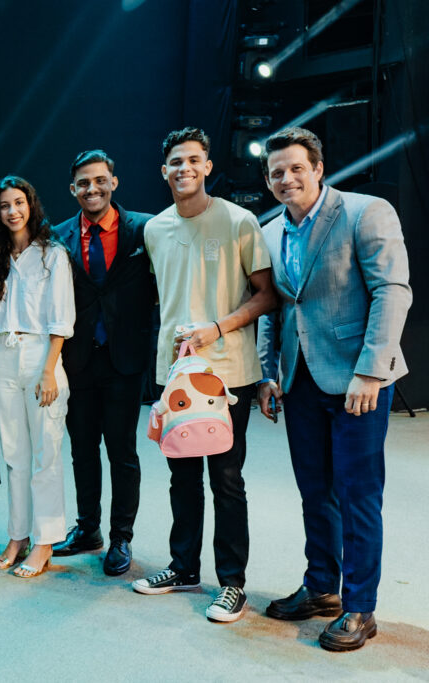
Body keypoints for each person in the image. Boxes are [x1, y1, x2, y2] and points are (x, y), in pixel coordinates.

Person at [255, 127, 411, 651]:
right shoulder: (270, 231)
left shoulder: (366, 212)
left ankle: (360, 606)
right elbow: (274, 309)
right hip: (300, 380)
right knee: (314, 490)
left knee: (357, 493)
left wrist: (371, 371)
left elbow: (392, 291)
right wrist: (269, 373)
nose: (286, 178)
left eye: (296, 168)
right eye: (277, 172)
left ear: (318, 169)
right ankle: (322, 586)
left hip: (357, 380)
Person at [135, 128, 276, 623]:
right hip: (174, 373)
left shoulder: (239, 221)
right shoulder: (155, 229)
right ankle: (183, 568)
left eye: (194, 160)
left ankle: (232, 583)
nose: (185, 169)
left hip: (227, 374)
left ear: (208, 167)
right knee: (181, 475)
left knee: (227, 479)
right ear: (164, 171)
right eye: (176, 161)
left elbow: (267, 295)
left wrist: (216, 328)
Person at [50, 151, 155, 576]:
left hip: (124, 358)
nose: (91, 189)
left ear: (114, 182)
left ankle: (121, 537)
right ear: (72, 189)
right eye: (83, 183)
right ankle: (87, 528)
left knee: (122, 451)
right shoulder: (56, 236)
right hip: (78, 359)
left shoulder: (145, 228)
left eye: (99, 180)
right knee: (82, 449)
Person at [0, 175, 75, 578]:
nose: (12, 211)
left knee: (45, 454)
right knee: (14, 454)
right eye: (4, 205)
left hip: (40, 356)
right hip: (3, 355)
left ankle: (44, 541)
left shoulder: (53, 255)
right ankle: (17, 536)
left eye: (19, 202)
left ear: (30, 205)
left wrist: (49, 370)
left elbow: (61, 319)